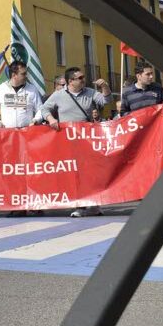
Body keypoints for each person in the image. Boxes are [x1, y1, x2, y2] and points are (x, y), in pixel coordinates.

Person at [41, 67, 112, 217]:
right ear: (70, 81)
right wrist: (51, 119)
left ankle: (94, 205)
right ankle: (80, 206)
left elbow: (106, 100)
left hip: (87, 139)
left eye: (83, 77)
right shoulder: (58, 95)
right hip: (68, 142)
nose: (83, 80)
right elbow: (44, 109)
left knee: (91, 173)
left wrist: (104, 86)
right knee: (75, 174)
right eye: (79, 78)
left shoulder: (90, 92)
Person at [0, 61, 42, 216]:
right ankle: (16, 205)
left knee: (31, 170)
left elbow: (40, 109)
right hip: (9, 138)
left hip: (28, 136)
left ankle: (35, 203)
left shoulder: (32, 90)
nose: (26, 76)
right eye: (23, 73)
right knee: (13, 171)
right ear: (14, 75)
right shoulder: (0, 89)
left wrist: (36, 121)